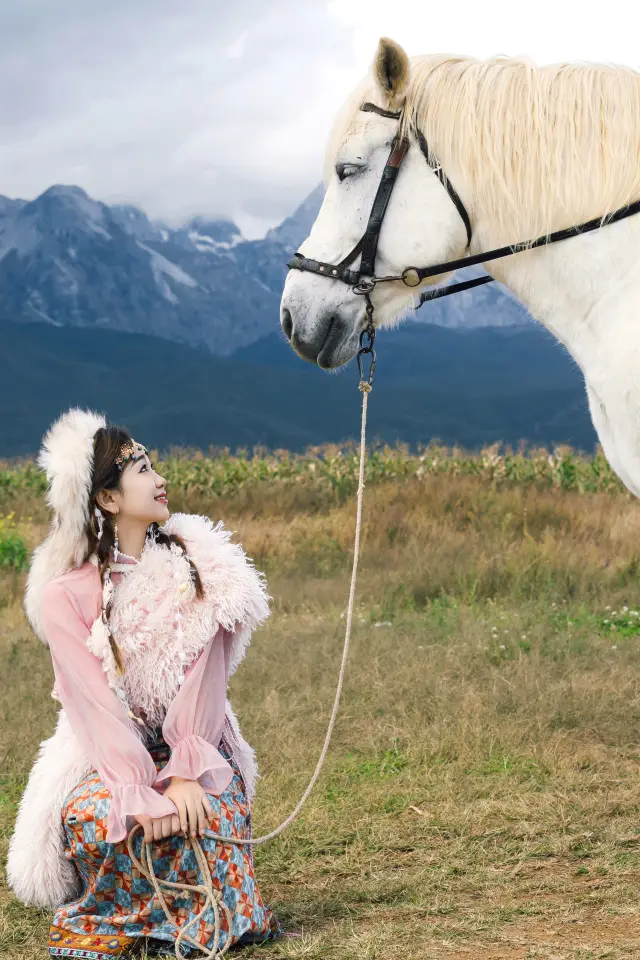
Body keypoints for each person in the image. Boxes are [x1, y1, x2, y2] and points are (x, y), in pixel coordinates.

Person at [7, 407, 282, 958]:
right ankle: (119, 919)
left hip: (193, 742)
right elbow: (93, 707)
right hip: (105, 753)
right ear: (107, 499)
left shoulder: (201, 566)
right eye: (142, 469)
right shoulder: (64, 595)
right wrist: (134, 786)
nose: (160, 481)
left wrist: (184, 771)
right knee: (94, 815)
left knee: (205, 809)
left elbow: (206, 687)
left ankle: (210, 916)